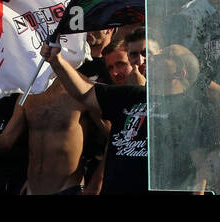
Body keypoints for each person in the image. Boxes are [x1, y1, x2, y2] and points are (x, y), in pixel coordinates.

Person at [37, 40, 149, 195]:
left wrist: (97, 182)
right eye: (110, 67)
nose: (115, 72)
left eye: (121, 64)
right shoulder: (126, 95)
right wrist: (56, 61)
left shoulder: (185, 105)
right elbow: (84, 93)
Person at [0, 72, 93, 195]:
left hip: (68, 190)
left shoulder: (83, 88)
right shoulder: (28, 93)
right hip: (32, 190)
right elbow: (5, 142)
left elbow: (112, 136)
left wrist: (95, 185)